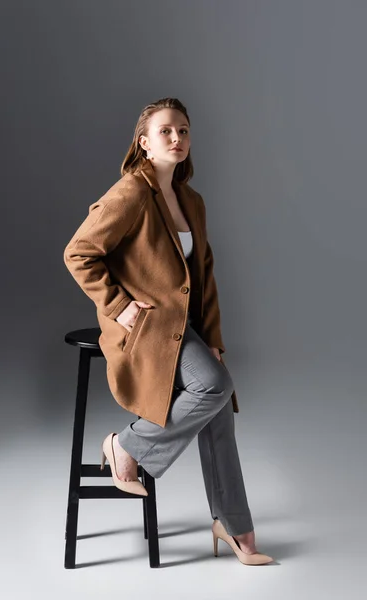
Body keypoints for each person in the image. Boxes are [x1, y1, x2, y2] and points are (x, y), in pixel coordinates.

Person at [63, 97, 273, 565]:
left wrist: (213, 337)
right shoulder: (132, 192)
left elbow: (205, 274)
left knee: (218, 411)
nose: (177, 138)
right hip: (146, 328)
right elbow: (78, 253)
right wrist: (118, 306)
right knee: (215, 386)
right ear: (144, 142)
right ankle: (125, 446)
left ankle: (234, 526)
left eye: (183, 130)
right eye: (165, 131)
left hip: (188, 327)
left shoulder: (191, 201)